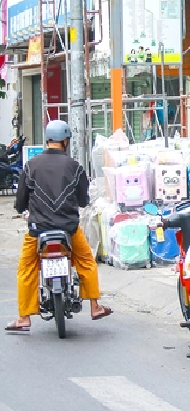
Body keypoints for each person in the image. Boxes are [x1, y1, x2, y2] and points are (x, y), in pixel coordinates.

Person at [5, 120, 112, 332]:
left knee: (26, 269)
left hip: (38, 230)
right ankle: (94, 306)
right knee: (86, 261)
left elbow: (20, 202)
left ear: (48, 140)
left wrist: (24, 210)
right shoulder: (75, 167)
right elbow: (83, 200)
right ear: (65, 141)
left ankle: (24, 318)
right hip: (69, 230)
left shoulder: (31, 165)